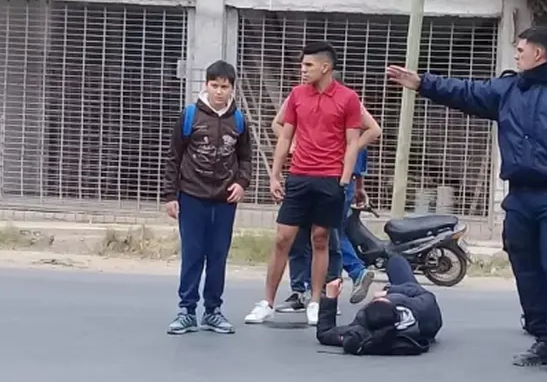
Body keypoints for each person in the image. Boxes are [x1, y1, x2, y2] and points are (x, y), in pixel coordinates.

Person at [387, 26, 547, 373]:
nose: (516, 54)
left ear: (539, 53)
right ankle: (541, 337)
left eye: (521, 49)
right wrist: (422, 83)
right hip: (520, 197)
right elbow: (466, 91)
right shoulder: (510, 89)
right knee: (526, 268)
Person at [245, 41, 363, 327]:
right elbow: (285, 137)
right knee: (282, 238)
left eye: (308, 65)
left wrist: (345, 180)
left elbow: (352, 142)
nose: (303, 70)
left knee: (320, 239)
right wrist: (275, 174)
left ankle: (315, 301)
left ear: (326, 67)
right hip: (298, 177)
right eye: (302, 64)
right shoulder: (297, 95)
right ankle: (267, 302)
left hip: (330, 180)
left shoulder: (348, 98)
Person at [162, 60, 252, 335]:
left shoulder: (238, 121)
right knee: (193, 254)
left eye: (225, 87)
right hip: (192, 196)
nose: (219, 92)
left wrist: (241, 183)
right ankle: (187, 310)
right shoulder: (189, 116)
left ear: (232, 89)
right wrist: (170, 195)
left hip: (224, 200)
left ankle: (213, 310)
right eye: (215, 86)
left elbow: (245, 158)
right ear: (206, 86)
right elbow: (173, 157)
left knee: (218, 255)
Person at [272, 97, 382, 312]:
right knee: (319, 236)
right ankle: (313, 290)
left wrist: (355, 184)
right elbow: (278, 124)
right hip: (317, 179)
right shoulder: (305, 104)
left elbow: (367, 139)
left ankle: (327, 288)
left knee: (327, 237)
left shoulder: (345, 115)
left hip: (334, 182)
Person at [316, 255, 442, 355]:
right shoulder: (421, 308)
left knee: (395, 262)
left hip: (414, 329)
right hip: (424, 319)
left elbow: (325, 333)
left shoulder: (361, 334)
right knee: (396, 261)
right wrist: (390, 291)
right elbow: (421, 293)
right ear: (396, 310)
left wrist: (330, 299)